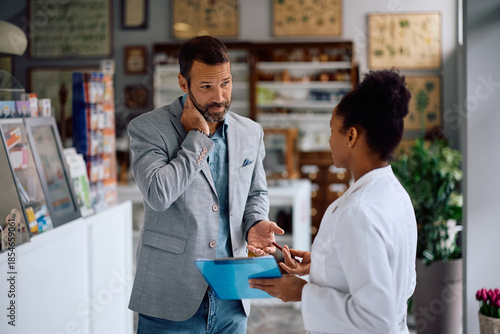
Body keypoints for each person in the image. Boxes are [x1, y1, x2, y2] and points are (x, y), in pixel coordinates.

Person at [127, 35, 284, 333]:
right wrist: (197, 140)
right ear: (183, 84)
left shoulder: (251, 132)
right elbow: (158, 194)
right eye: (206, 87)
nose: (220, 97)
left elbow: (256, 192)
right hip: (171, 297)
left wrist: (255, 222)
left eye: (225, 83)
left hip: (232, 296)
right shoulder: (147, 128)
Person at [250, 69, 417, 334]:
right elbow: (387, 273)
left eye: (332, 130)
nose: (329, 140)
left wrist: (303, 292)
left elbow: (375, 319)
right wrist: (322, 263)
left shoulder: (359, 211)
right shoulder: (394, 193)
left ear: (351, 136)